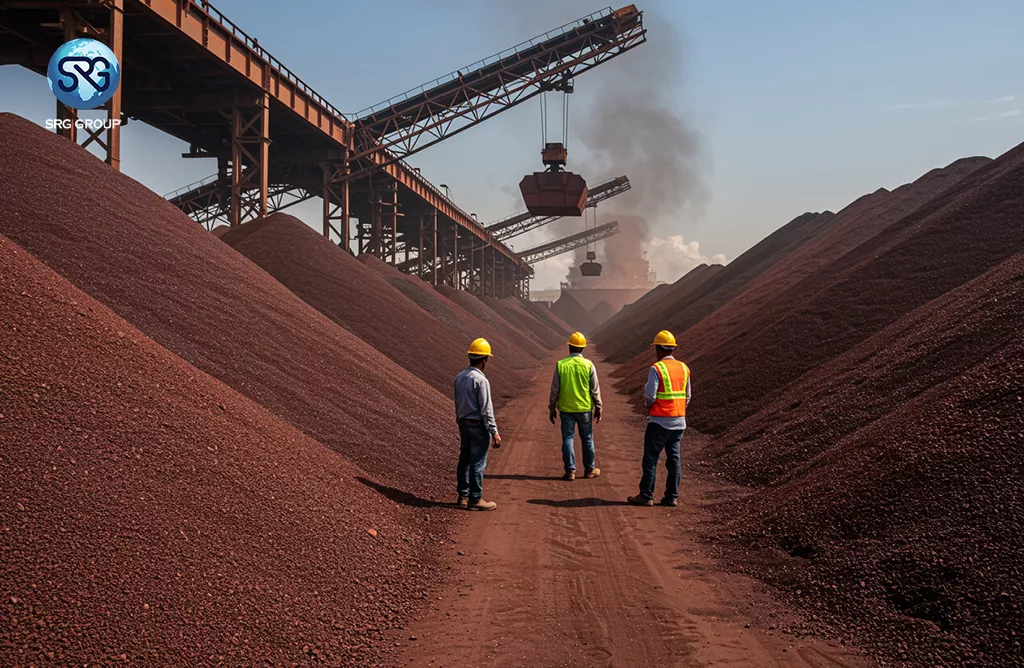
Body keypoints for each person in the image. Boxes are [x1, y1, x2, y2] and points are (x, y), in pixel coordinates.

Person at [628, 330, 690, 507]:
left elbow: (650, 396)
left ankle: (646, 495)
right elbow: (687, 396)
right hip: (679, 422)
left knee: (651, 459)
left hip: (659, 422)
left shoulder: (656, 368)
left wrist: (650, 406)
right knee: (674, 460)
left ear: (659, 349)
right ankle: (672, 496)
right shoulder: (684, 368)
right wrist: (678, 410)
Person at [454, 338, 503, 510]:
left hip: (463, 423)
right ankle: (476, 498)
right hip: (477, 425)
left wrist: (460, 420)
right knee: (477, 462)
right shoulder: (481, 381)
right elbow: (486, 409)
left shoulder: (459, 377)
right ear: (484, 360)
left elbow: (457, 402)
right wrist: (494, 432)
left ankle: (463, 495)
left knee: (465, 459)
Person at [548, 331, 602, 481]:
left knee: (568, 439)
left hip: (566, 409)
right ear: (583, 348)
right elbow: (595, 389)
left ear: (569, 347)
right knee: (587, 439)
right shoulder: (589, 365)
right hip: (584, 409)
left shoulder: (561, 365)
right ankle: (589, 469)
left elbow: (555, 390)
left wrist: (552, 408)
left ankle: (570, 471)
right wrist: (599, 407)